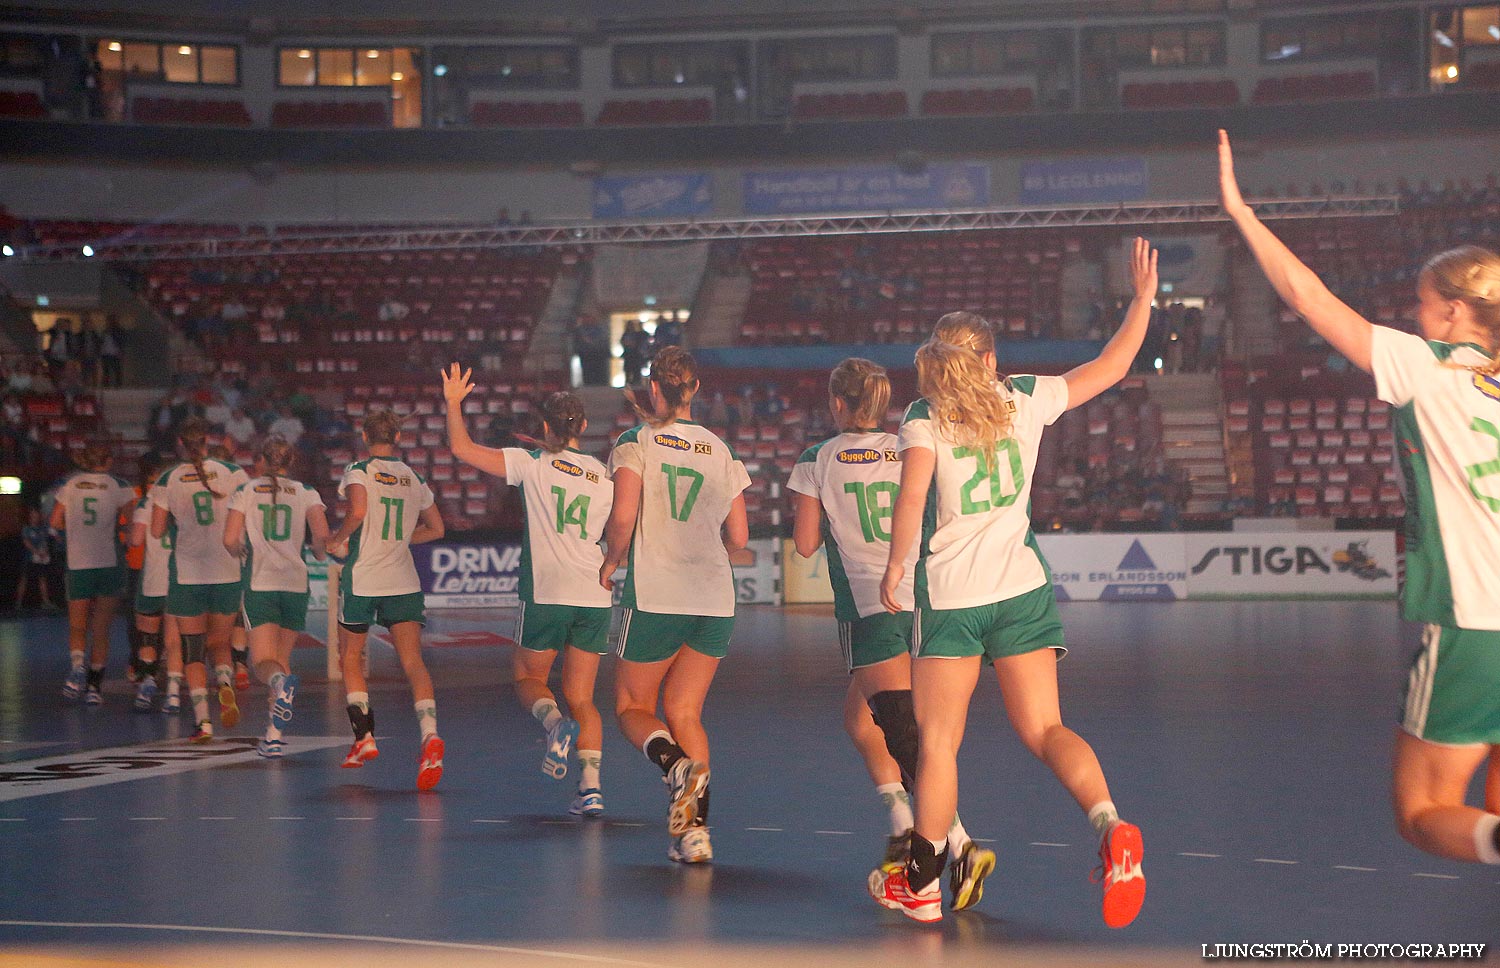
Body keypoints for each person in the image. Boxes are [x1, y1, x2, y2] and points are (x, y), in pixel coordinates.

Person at [1219, 129, 1500, 866]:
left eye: (1421, 304)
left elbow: (1310, 299)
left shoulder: (1425, 365)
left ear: (1449, 314)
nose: (1414, 316)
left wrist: (1244, 216)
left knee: (1423, 812)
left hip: (1475, 621)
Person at [870, 238, 1157, 927]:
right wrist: (1143, 299)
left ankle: (926, 885)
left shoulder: (922, 418)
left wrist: (895, 566)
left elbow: (910, 501)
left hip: (953, 601)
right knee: (1048, 727)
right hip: (1022, 590)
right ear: (992, 358)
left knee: (938, 744)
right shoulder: (1025, 398)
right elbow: (1113, 364)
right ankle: (1112, 824)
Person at [787, 357, 996, 910]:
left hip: (870, 606)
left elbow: (805, 544)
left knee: (906, 735)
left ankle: (959, 842)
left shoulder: (817, 459)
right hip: (922, 596)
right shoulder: (910, 445)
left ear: (837, 403)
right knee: (861, 721)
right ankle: (905, 822)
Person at [599, 346, 750, 864]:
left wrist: (609, 560)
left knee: (631, 707)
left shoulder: (634, 442)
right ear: (696, 390)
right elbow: (740, 534)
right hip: (714, 596)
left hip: (657, 595)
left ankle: (674, 766)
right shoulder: (721, 449)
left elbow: (622, 518)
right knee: (685, 711)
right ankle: (696, 834)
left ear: (654, 390)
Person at [442, 365, 614, 815]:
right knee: (584, 697)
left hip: (547, 591)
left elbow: (461, 448)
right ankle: (591, 789)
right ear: (584, 427)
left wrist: (453, 402)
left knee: (528, 677)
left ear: (543, 427)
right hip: (594, 594)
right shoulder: (602, 473)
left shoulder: (529, 463)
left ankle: (554, 725)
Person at [328, 408, 447, 790]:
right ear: (396, 438)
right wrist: (398, 540)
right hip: (403, 580)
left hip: (364, 579)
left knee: (349, 657)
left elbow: (359, 511)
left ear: (365, 436)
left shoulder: (359, 470)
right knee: (412, 661)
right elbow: (437, 528)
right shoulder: (414, 476)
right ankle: (430, 737)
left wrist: (337, 537)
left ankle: (364, 738)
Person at [223, 436, 329, 758]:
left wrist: (238, 551)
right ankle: (272, 736)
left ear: (261, 461)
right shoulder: (307, 492)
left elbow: (229, 538)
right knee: (282, 658)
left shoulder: (246, 491)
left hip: (261, 582)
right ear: (291, 461)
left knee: (263, 664)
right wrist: (322, 553)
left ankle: (280, 686)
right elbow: (322, 539)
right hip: (296, 583)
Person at [151, 417, 250, 741]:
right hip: (227, 572)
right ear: (208, 440)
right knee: (220, 644)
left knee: (193, 651)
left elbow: (155, 530)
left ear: (180, 444)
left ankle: (203, 722)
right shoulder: (233, 473)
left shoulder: (169, 478)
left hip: (189, 575)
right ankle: (224, 683)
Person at [51, 441, 137, 705]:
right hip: (108, 562)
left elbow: (54, 523)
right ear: (108, 461)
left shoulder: (70, 485)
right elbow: (131, 524)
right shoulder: (119, 486)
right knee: (101, 628)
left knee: (78, 624)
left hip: (78, 562)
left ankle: (77, 664)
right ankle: (94, 688)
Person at [129, 460, 181, 714]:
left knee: (148, 637)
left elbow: (136, 539)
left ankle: (147, 682)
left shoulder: (146, 504)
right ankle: (172, 693)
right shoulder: (181, 503)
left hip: (152, 581)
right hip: (178, 581)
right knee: (173, 640)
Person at [15, 507, 55, 611]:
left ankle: (46, 602)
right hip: (29, 559)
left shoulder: (42, 529)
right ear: (30, 517)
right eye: (33, 515)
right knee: (24, 579)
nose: (35, 517)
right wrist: (36, 552)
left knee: (43, 579)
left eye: (36, 515)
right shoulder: (26, 529)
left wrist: (44, 552)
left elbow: (45, 542)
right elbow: (26, 542)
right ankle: (18, 603)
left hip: (40, 559)